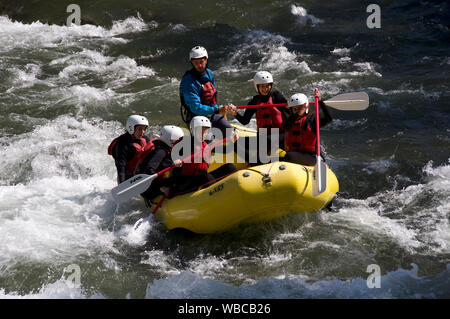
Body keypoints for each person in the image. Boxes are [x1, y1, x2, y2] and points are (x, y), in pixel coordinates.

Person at [229, 71, 289, 164]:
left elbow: (289, 110)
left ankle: (272, 160)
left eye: (267, 86)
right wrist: (235, 114)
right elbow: (245, 121)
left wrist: (290, 106)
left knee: (267, 140)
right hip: (263, 136)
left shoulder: (276, 96)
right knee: (239, 142)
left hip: (281, 134)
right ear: (257, 87)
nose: (265, 89)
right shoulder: (254, 101)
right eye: (262, 86)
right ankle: (258, 162)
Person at [170, 116, 237, 194]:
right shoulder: (186, 142)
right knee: (204, 176)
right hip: (184, 182)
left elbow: (225, 150)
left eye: (205, 131)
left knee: (229, 167)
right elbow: (173, 154)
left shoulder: (205, 145)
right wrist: (175, 160)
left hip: (200, 178)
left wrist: (233, 141)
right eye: (200, 131)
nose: (203, 134)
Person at [179, 45, 235, 138]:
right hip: (196, 118)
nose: (199, 65)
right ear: (192, 62)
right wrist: (216, 110)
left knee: (231, 132)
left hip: (211, 114)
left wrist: (220, 111)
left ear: (206, 60)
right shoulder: (188, 81)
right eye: (196, 63)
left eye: (201, 62)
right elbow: (195, 108)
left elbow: (213, 96)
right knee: (208, 140)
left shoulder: (209, 73)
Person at [282, 89, 332, 166]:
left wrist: (320, 102)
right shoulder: (289, 121)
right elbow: (285, 126)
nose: (297, 110)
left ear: (306, 107)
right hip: (295, 155)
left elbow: (328, 118)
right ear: (291, 109)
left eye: (300, 107)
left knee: (288, 156)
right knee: (281, 157)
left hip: (310, 157)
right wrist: (297, 113)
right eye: (295, 109)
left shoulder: (311, 120)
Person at [137, 125, 184, 202]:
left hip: (154, 183)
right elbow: (149, 170)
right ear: (170, 140)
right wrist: (160, 187)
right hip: (149, 189)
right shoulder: (161, 152)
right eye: (178, 141)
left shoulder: (162, 146)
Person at [108, 115, 153, 184]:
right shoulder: (122, 145)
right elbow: (120, 167)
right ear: (131, 128)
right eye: (140, 129)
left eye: (144, 129)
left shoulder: (144, 139)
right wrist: (122, 185)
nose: (143, 132)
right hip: (127, 178)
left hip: (142, 173)